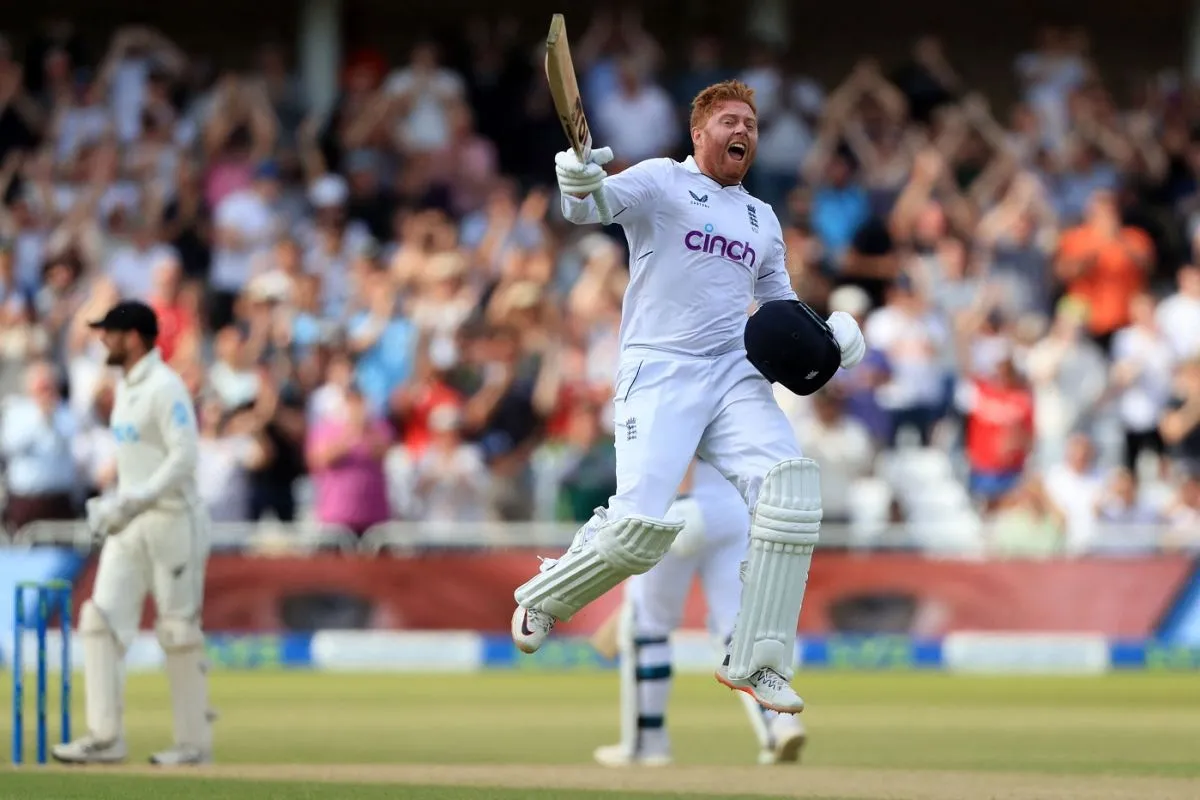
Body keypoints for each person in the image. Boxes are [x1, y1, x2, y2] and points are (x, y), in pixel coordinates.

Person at [510, 79, 866, 714]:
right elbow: (592, 207)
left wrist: (831, 343)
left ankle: (756, 660)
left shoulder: (761, 216)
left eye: (751, 124)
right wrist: (578, 177)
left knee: (791, 490)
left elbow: (781, 311)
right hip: (661, 368)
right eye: (730, 120)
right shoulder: (661, 181)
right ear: (699, 132)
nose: (744, 131)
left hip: (733, 372)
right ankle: (548, 593)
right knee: (638, 531)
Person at [52, 300, 214, 766]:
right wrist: (117, 498)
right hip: (130, 523)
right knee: (98, 621)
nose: (103, 338)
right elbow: (137, 458)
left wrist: (135, 497)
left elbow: (184, 458)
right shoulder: (126, 386)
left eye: (111, 331)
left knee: (177, 630)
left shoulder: (166, 388)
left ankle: (193, 743)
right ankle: (105, 737)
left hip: (171, 521)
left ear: (136, 337)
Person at [592, 459, 806, 767]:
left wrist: (685, 495)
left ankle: (647, 744)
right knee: (740, 629)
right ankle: (781, 723)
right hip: (731, 505)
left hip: (671, 503)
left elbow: (682, 424)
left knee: (648, 628)